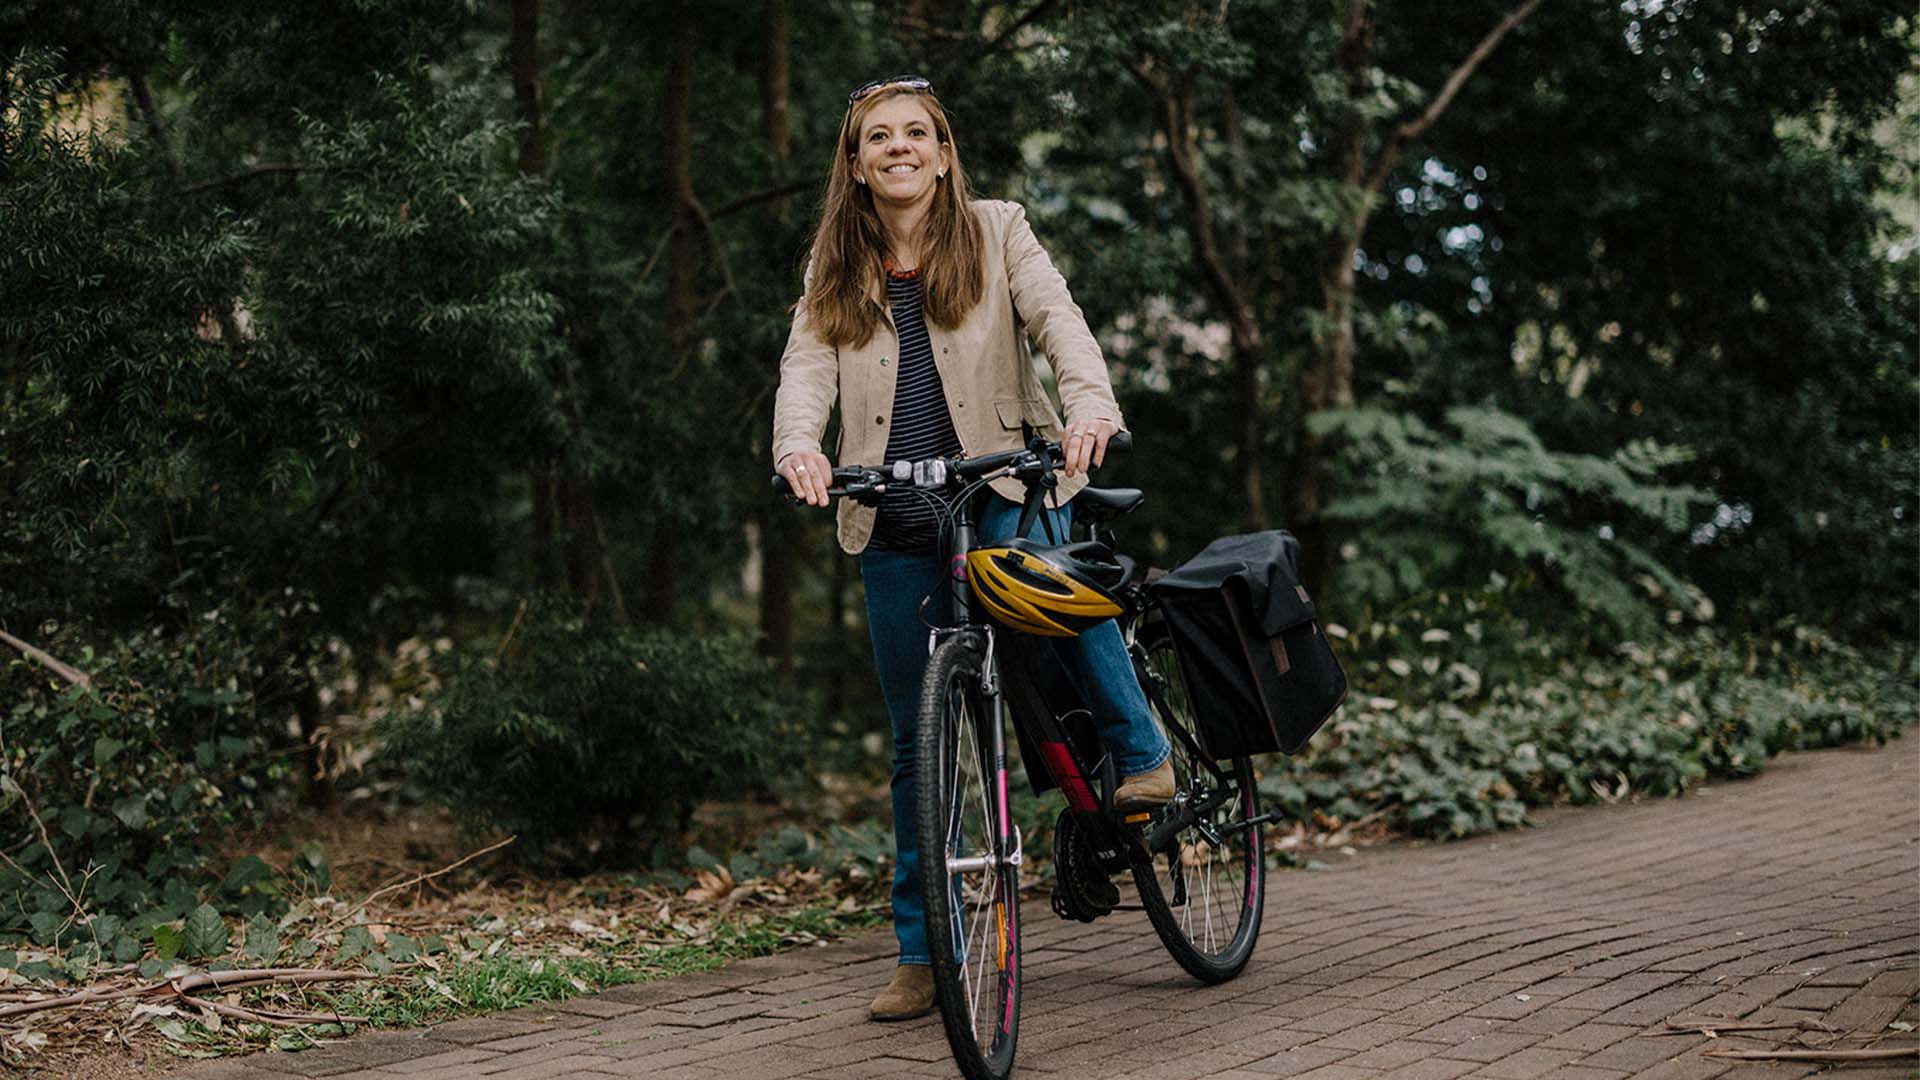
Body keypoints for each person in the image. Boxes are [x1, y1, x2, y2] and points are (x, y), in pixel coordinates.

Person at [771, 75, 1172, 1022]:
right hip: (891, 510)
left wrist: (1090, 407)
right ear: (857, 164)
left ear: (944, 153)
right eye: (879, 138)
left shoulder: (997, 228)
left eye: (917, 134)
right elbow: (806, 367)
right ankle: (925, 953)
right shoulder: (834, 262)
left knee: (1045, 577)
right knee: (920, 745)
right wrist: (797, 443)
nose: (899, 147)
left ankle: (1141, 747)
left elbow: (1058, 321)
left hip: (1001, 479)